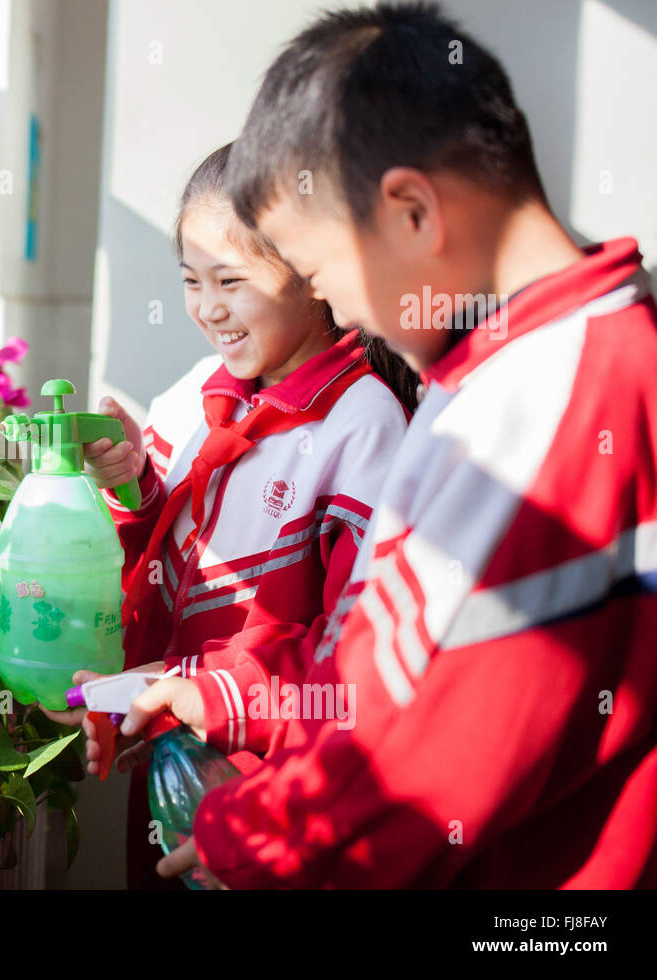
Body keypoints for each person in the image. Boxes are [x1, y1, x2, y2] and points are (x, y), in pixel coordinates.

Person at [133, 1, 657, 888]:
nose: (343, 312)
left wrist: (253, 842)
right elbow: (385, 652)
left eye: (327, 272)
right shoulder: (495, 373)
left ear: (412, 209)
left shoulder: (561, 390)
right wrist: (231, 690)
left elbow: (430, 754)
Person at [47, 142, 417, 888]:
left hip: (281, 781)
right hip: (174, 759)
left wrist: (207, 689)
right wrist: (133, 483)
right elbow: (165, 556)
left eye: (232, 281)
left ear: (312, 276)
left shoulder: (363, 424)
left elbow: (358, 649)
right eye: (190, 281)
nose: (208, 308)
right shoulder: (193, 394)